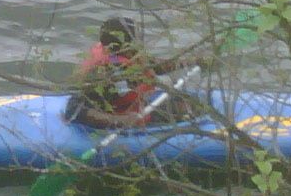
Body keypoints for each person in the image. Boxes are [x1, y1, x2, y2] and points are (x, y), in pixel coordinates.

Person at [65, 17, 196, 129]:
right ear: (125, 46)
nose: (140, 42)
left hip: (127, 107)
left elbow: (153, 66)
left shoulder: (121, 54)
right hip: (115, 118)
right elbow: (76, 109)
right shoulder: (104, 74)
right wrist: (121, 121)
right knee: (183, 108)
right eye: (136, 38)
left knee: (185, 102)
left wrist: (192, 62)